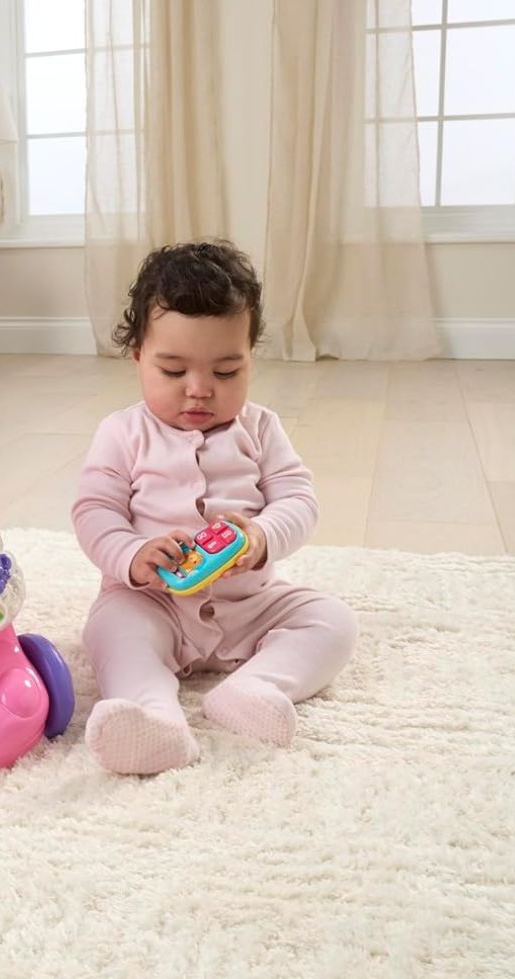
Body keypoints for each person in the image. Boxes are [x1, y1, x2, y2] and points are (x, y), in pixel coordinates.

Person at [71, 240, 357, 774]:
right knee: (112, 632)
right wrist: (132, 555)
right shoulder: (123, 432)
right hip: (152, 603)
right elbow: (94, 512)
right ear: (138, 357)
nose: (199, 391)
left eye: (226, 372)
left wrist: (262, 536)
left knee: (332, 620)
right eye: (173, 371)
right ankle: (153, 720)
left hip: (251, 603)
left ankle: (253, 688)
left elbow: (298, 498)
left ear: (250, 358)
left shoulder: (261, 427)